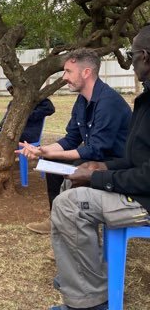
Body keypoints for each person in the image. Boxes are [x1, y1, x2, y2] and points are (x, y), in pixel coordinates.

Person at [46, 29, 150, 309]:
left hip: (144, 199)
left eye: (131, 55)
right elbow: (136, 159)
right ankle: (80, 277)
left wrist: (97, 173)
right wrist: (101, 167)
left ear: (145, 57)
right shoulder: (144, 100)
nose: (131, 62)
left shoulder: (112, 102)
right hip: (133, 183)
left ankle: (91, 301)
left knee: (70, 204)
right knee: (71, 185)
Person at [18, 48, 132, 235]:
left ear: (86, 72)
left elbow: (96, 150)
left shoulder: (108, 102)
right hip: (98, 157)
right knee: (52, 163)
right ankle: (57, 217)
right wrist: (43, 151)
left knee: (81, 166)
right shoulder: (82, 100)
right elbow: (71, 138)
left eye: (69, 71)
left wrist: (48, 153)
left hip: (120, 164)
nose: (64, 77)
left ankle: (73, 231)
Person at [0, 80, 55, 167]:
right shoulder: (13, 103)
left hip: (28, 134)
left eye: (12, 88)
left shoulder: (36, 99)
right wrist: (8, 122)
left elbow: (50, 109)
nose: (11, 91)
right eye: (9, 90)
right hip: (11, 132)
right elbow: (3, 122)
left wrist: (24, 116)